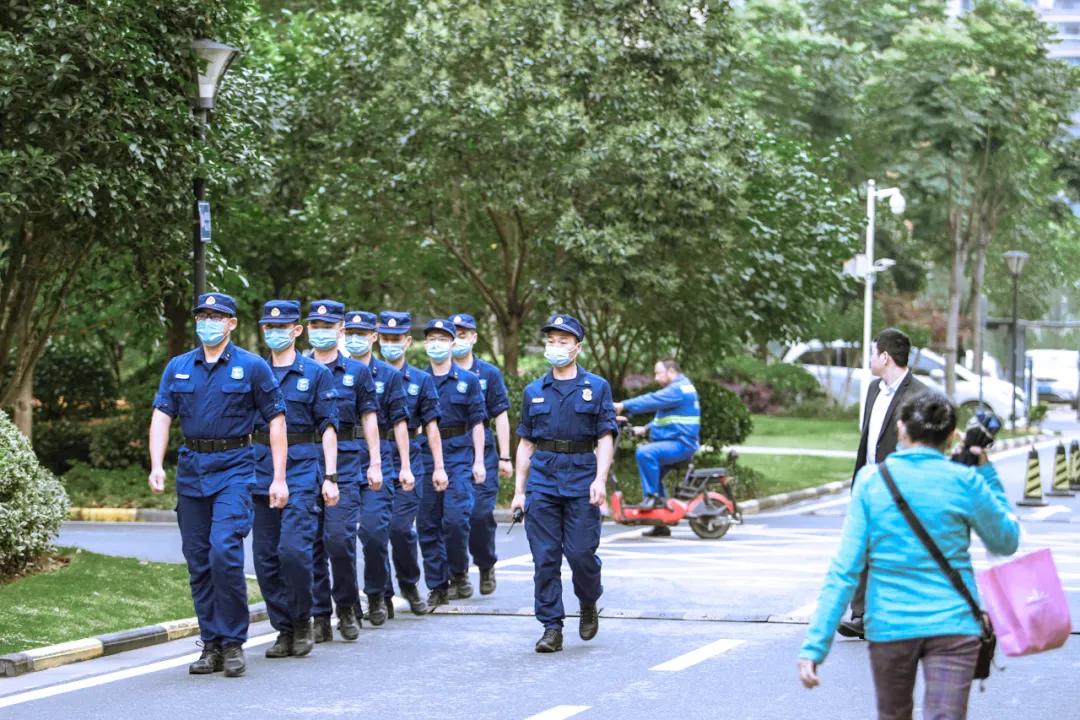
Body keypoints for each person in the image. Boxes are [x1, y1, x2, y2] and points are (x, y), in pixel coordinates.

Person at [798, 392, 1020, 720]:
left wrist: (815, 645)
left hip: (890, 625)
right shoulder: (965, 480)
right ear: (949, 435)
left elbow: (845, 569)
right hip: (954, 625)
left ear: (901, 429)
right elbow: (1006, 541)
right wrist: (985, 470)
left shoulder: (872, 482)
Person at [148, 292, 287, 677]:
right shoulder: (178, 367)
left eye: (216, 316)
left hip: (236, 469)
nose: (207, 322)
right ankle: (210, 644)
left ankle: (233, 642)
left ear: (231, 324)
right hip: (192, 469)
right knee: (198, 560)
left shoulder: (253, 366)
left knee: (223, 552)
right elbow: (162, 414)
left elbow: (276, 420)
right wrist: (156, 464)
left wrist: (278, 477)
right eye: (202, 316)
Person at [510, 314, 617, 653]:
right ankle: (551, 626)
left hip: (583, 478)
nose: (555, 347)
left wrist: (600, 480)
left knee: (581, 553)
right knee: (545, 558)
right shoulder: (534, 391)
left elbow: (604, 437)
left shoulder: (596, 388)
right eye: (551, 341)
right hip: (543, 480)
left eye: (563, 341)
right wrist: (518, 492)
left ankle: (588, 601)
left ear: (577, 348)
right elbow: (526, 444)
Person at [250, 300, 340, 659]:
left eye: (281, 327)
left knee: (293, 552)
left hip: (303, 471)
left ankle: (304, 620)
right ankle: (283, 628)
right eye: (269, 328)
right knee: (265, 559)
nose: (274, 333)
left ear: (296, 330)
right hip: (260, 471)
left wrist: (330, 476)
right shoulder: (255, 371)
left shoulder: (316, 374)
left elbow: (329, 427)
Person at [840, 328, 927, 639]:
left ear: (885, 357)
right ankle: (860, 615)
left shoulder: (919, 395)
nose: (870, 359)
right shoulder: (874, 390)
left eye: (873, 353)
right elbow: (869, 441)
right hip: (869, 484)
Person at [307, 300, 382, 643]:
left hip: (348, 463)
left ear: (339, 330)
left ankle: (347, 605)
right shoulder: (300, 368)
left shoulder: (356, 372)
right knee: (310, 544)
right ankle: (320, 613)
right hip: (306, 462)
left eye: (327, 326)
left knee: (338, 539)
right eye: (315, 326)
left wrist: (376, 462)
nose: (321, 332)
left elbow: (369, 418)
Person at [342, 309, 411, 624]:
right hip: (341, 457)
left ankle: (376, 592)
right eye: (351, 333)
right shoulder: (329, 371)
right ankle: (348, 600)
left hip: (377, 458)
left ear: (373, 337)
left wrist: (405, 466)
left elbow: (399, 424)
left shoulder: (389, 375)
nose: (356, 339)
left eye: (362, 334)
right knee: (339, 538)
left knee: (373, 532)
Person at [377, 310, 447, 615]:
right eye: (386, 338)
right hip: (376, 458)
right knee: (374, 531)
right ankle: (381, 592)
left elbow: (432, 427)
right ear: (378, 339)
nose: (391, 344)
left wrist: (440, 467)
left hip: (409, 461)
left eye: (397, 339)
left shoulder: (421, 381)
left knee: (400, 528)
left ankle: (408, 583)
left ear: (407, 341)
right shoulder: (365, 376)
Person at [417, 318, 487, 609]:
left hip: (458, 455)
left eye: (442, 339)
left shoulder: (467, 381)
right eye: (431, 339)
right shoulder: (417, 380)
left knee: (456, 520)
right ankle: (438, 585)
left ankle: (459, 571)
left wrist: (480, 461)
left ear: (452, 343)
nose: (436, 344)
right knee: (428, 524)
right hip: (423, 456)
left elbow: (478, 423)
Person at [451, 312, 512, 594]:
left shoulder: (488, 373)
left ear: (474, 337)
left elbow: (500, 416)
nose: (457, 339)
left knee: (479, 514)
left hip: (482, 452)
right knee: (451, 518)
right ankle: (457, 574)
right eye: (454, 334)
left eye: (463, 334)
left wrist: (505, 456)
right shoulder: (437, 372)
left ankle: (486, 564)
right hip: (448, 453)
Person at [614, 360, 700, 533]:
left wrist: (624, 406)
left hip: (682, 444)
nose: (656, 377)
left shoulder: (678, 389)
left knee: (646, 453)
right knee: (655, 474)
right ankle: (661, 523)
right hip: (679, 441)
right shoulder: (681, 388)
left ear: (671, 372)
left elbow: (652, 400)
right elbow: (666, 419)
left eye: (658, 373)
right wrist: (644, 430)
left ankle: (652, 498)